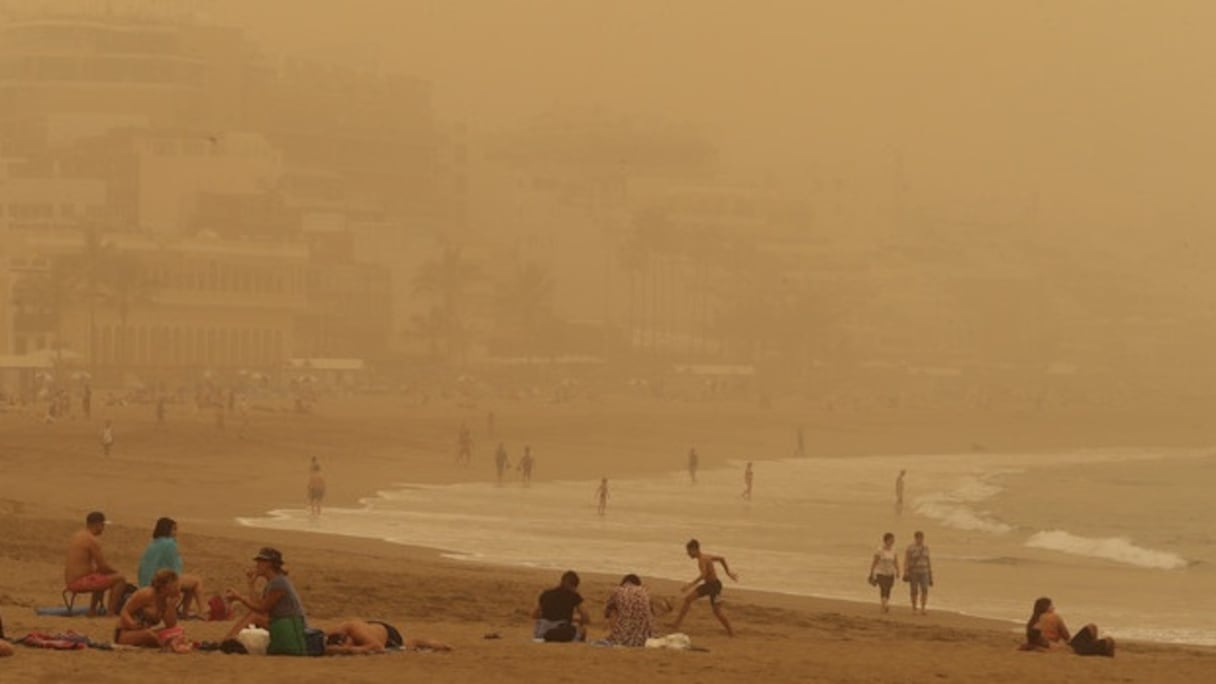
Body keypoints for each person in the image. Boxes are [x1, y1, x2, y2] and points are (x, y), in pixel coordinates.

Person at [224, 547, 307, 655]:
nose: (257, 564)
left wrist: (239, 597)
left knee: (254, 616)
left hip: (290, 626)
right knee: (253, 615)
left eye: (260, 561)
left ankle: (229, 640)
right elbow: (257, 605)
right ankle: (229, 639)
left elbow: (262, 609)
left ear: (269, 564)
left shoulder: (279, 583)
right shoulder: (274, 582)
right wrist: (251, 584)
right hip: (281, 623)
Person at [137, 517, 206, 617]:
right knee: (197, 581)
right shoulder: (169, 544)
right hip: (159, 583)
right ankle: (203, 610)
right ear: (167, 530)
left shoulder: (153, 544)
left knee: (189, 583)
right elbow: (175, 569)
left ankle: (185, 612)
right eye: (174, 529)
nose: (176, 532)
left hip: (146, 583)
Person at [64, 511, 127, 617]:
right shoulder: (92, 540)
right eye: (102, 525)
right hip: (79, 582)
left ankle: (92, 611)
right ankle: (110, 613)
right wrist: (117, 572)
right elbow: (103, 567)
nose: (103, 528)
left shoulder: (78, 535)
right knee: (120, 579)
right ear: (97, 525)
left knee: (100, 576)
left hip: (71, 580)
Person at [671, 539, 739, 636]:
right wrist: (728, 572)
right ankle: (676, 624)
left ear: (694, 549)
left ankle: (731, 632)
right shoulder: (706, 557)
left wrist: (690, 585)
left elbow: (703, 575)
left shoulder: (702, 560)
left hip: (714, 586)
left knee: (717, 611)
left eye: (689, 551)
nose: (688, 554)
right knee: (688, 599)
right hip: (709, 585)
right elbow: (721, 559)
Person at [114, 569, 191, 652]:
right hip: (125, 633)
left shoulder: (166, 600)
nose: (178, 589)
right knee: (149, 635)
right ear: (164, 587)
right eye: (175, 586)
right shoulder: (146, 594)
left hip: (144, 631)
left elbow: (170, 625)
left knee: (179, 630)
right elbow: (124, 612)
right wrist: (132, 624)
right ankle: (168, 645)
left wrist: (171, 606)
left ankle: (168, 642)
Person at [1026, 597, 1115, 656]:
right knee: (1093, 628)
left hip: (1056, 647)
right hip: (1067, 648)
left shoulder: (1033, 621)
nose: (1054, 607)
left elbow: (1035, 639)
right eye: (1051, 605)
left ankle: (1093, 646)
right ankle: (1096, 646)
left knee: (1091, 630)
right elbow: (1067, 636)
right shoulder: (1054, 617)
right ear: (1047, 607)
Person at [324, 619, 451, 654]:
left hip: (388, 635)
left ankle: (439, 645)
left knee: (410, 644)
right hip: (372, 627)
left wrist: (349, 650)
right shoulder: (334, 632)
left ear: (348, 638)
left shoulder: (356, 631)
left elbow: (377, 647)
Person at [531, 570, 589, 642]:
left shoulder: (546, 594)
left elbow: (534, 615)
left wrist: (549, 616)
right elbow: (585, 617)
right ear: (573, 586)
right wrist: (576, 620)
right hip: (561, 629)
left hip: (541, 631)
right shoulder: (573, 596)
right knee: (582, 630)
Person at [604, 574, 655, 647]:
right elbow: (652, 613)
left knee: (613, 610)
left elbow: (606, 612)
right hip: (645, 638)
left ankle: (616, 633)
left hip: (623, 636)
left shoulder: (618, 591)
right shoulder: (645, 592)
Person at [868, 532, 900, 613]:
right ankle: (885, 605)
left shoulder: (894, 550)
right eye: (891, 539)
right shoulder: (880, 550)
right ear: (886, 540)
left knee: (888, 589)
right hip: (880, 572)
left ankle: (883, 605)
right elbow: (874, 562)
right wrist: (871, 572)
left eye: (893, 540)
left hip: (890, 573)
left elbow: (895, 562)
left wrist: (898, 571)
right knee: (883, 588)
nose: (892, 541)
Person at [904, 530, 933, 614]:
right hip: (914, 571)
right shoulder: (910, 548)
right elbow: (907, 560)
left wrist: (930, 572)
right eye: (919, 538)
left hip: (924, 571)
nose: (920, 540)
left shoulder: (926, 548)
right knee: (914, 590)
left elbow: (928, 560)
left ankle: (923, 608)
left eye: (922, 538)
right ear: (915, 538)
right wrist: (906, 571)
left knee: (924, 589)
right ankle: (914, 608)